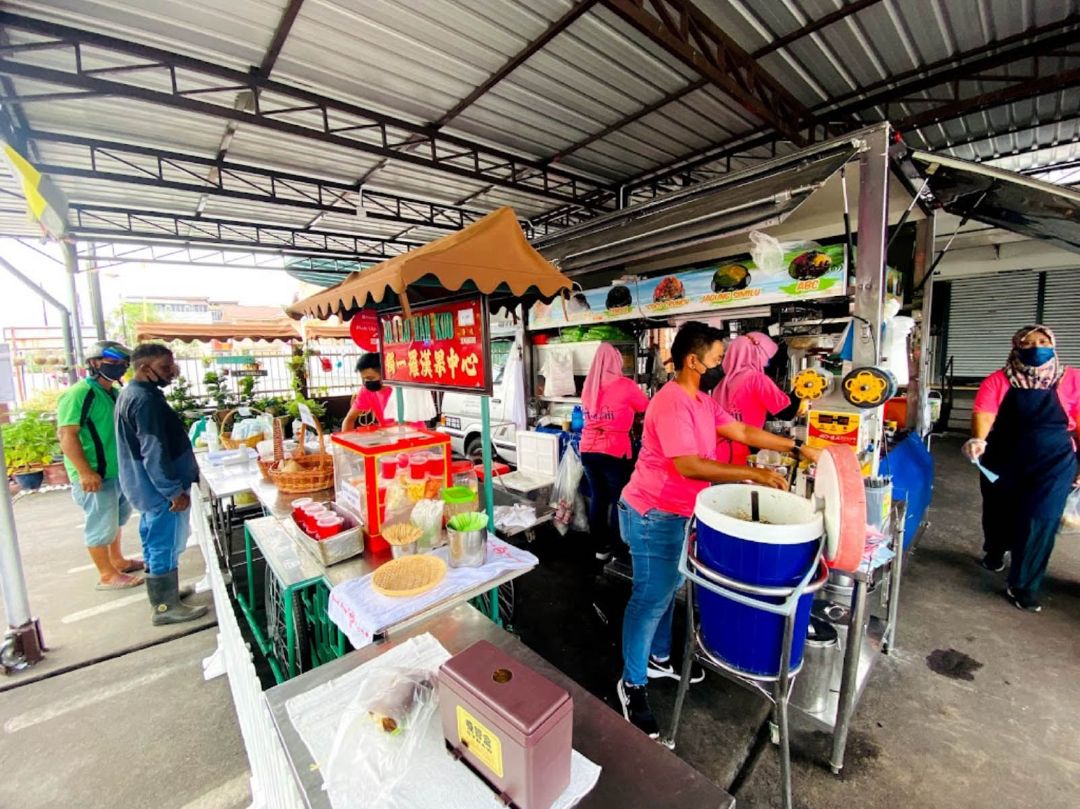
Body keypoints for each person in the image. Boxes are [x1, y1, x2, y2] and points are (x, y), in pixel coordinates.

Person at [615, 321, 819, 740]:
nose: (722, 364)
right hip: (653, 513)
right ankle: (631, 684)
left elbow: (742, 430)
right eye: (717, 357)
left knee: (667, 589)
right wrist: (753, 473)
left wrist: (796, 448)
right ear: (694, 361)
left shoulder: (703, 401)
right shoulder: (672, 403)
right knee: (649, 598)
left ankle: (657, 658)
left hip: (677, 512)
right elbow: (687, 464)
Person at [964, 325, 1080, 613]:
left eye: (1042, 342)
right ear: (1016, 347)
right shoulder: (998, 380)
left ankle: (1024, 585)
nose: (1036, 347)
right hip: (1003, 459)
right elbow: (985, 413)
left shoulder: (1072, 380)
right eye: (1028, 343)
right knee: (998, 508)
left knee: (1042, 518)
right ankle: (995, 548)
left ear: (1053, 345)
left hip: (1054, 462)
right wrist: (979, 440)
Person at [116, 344, 208, 625]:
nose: (172, 372)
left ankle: (166, 593)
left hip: (144, 486)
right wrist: (172, 491)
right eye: (166, 368)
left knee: (154, 539)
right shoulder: (145, 402)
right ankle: (165, 608)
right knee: (163, 543)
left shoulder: (135, 394)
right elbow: (153, 450)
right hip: (157, 489)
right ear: (145, 368)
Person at [56, 340, 144, 591]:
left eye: (122, 364)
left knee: (115, 519)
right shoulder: (80, 393)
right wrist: (85, 471)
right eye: (112, 362)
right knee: (100, 523)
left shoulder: (113, 392)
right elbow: (67, 434)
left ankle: (117, 560)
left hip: (117, 471)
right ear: (94, 363)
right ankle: (106, 574)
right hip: (96, 473)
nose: (118, 368)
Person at [579, 343, 649, 562]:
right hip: (613, 451)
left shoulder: (588, 386)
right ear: (616, 361)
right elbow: (646, 406)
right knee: (620, 500)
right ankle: (620, 550)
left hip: (588, 450)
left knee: (599, 497)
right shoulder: (625, 385)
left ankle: (600, 548)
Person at [712, 332, 798, 465]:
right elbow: (787, 412)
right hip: (744, 453)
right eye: (766, 357)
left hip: (719, 453)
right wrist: (802, 388)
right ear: (756, 354)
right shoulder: (757, 379)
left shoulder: (722, 383)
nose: (766, 362)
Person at [342, 353, 393, 430]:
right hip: (387, 435)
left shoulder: (399, 389)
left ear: (385, 374)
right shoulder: (366, 390)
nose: (366, 382)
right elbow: (350, 419)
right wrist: (344, 439)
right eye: (364, 378)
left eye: (370, 378)